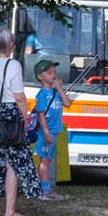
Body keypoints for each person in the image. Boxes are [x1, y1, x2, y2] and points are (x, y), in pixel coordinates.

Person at [0, 27, 40, 216]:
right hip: (10, 115)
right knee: (12, 163)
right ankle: (10, 213)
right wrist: (25, 118)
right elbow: (20, 97)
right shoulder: (13, 65)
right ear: (11, 45)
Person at [31, 59, 71, 201]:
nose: (53, 75)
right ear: (40, 77)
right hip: (46, 133)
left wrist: (59, 88)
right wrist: (46, 133)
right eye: (49, 73)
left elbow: (67, 103)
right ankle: (45, 191)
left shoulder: (56, 92)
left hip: (54, 131)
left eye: (54, 72)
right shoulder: (41, 95)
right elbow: (41, 116)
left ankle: (42, 188)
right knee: (45, 162)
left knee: (47, 161)